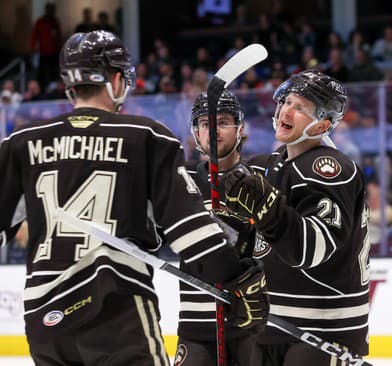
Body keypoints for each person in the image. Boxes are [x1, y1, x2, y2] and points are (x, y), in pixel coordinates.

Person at [0, 30, 267, 366]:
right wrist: (237, 277)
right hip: (114, 307)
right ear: (115, 79)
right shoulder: (145, 135)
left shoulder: (22, 141)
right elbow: (192, 231)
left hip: (44, 319)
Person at [223, 70, 370, 365]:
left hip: (323, 327)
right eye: (287, 101)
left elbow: (310, 250)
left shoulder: (330, 170)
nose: (287, 110)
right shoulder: (271, 164)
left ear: (323, 125)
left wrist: (267, 208)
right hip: (271, 325)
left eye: (301, 108)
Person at [175, 89, 258, 366]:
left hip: (250, 325)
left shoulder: (259, 180)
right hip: (196, 327)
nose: (213, 130)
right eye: (205, 123)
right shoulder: (180, 182)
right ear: (195, 132)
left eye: (222, 122)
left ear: (240, 127)